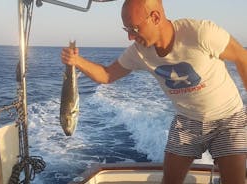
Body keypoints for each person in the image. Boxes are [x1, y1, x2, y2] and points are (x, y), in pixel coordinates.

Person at [61, 0, 247, 183]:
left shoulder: (200, 33)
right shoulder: (139, 52)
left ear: (155, 17)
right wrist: (77, 61)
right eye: (127, 30)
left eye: (134, 29)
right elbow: (107, 75)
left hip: (228, 119)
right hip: (187, 121)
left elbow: (242, 56)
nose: (130, 37)